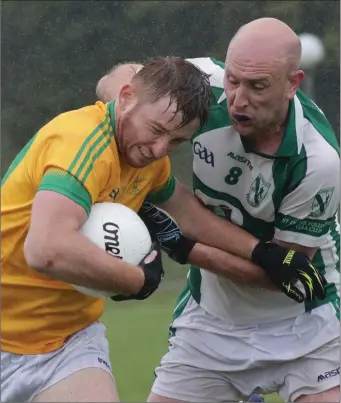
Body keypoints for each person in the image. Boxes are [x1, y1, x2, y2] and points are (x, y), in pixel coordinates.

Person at [1, 54, 322, 403]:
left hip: (67, 344)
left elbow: (189, 213)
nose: (159, 150)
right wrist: (136, 279)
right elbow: (46, 249)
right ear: (125, 98)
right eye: (155, 130)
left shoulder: (148, 162)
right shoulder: (83, 144)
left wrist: (262, 252)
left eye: (176, 142)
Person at [96, 18, 340, 403]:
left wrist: (184, 247)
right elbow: (121, 81)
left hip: (304, 325)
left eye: (258, 87)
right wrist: (131, 112)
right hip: (212, 322)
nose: (238, 99)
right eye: (234, 81)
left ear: (293, 84)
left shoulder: (318, 161)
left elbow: (284, 274)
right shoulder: (206, 84)